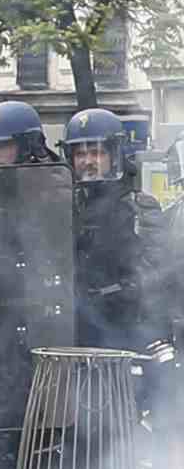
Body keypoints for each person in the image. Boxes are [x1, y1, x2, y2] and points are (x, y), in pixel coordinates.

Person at [67, 107, 154, 348]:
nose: (87, 161)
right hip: (74, 327)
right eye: (80, 154)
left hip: (123, 327)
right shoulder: (65, 207)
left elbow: (155, 276)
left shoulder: (138, 207)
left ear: (114, 156)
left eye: (96, 153)